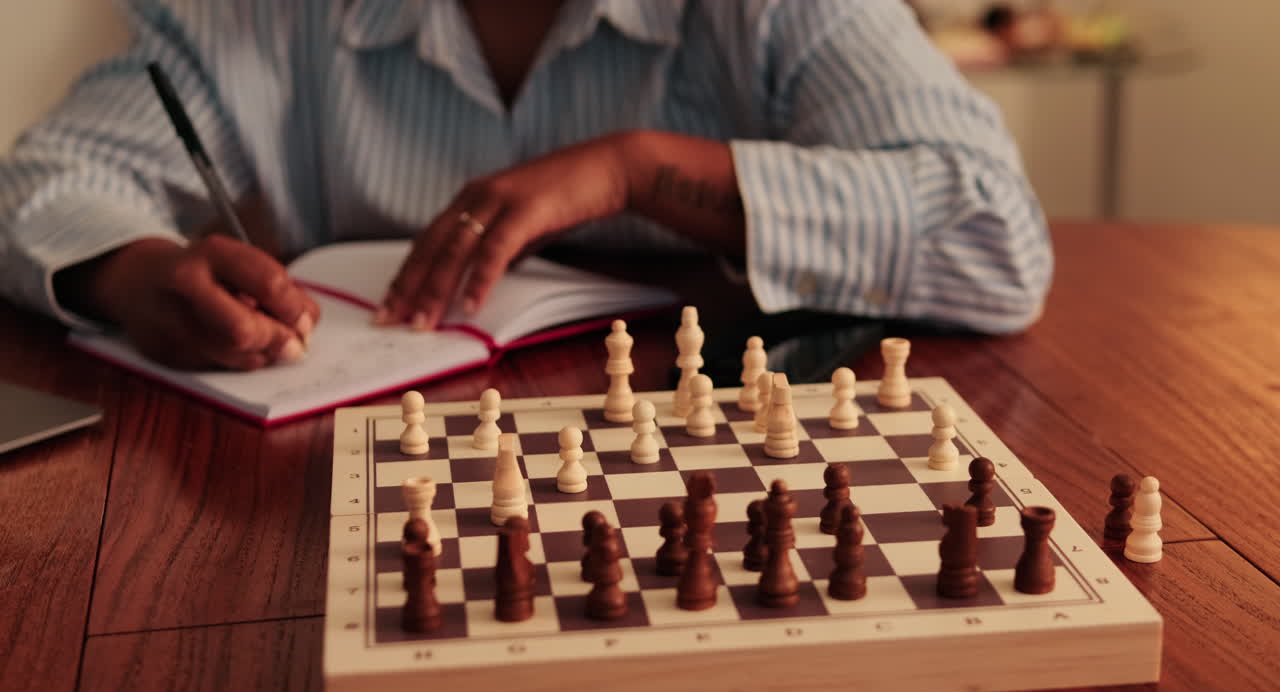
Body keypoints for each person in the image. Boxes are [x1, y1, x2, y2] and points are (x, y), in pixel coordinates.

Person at [0, 0, 1052, 371]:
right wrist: (129, 274)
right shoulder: (260, 15)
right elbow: (42, 183)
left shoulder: (781, 8)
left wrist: (638, 171)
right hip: (360, 481)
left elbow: (994, 239)